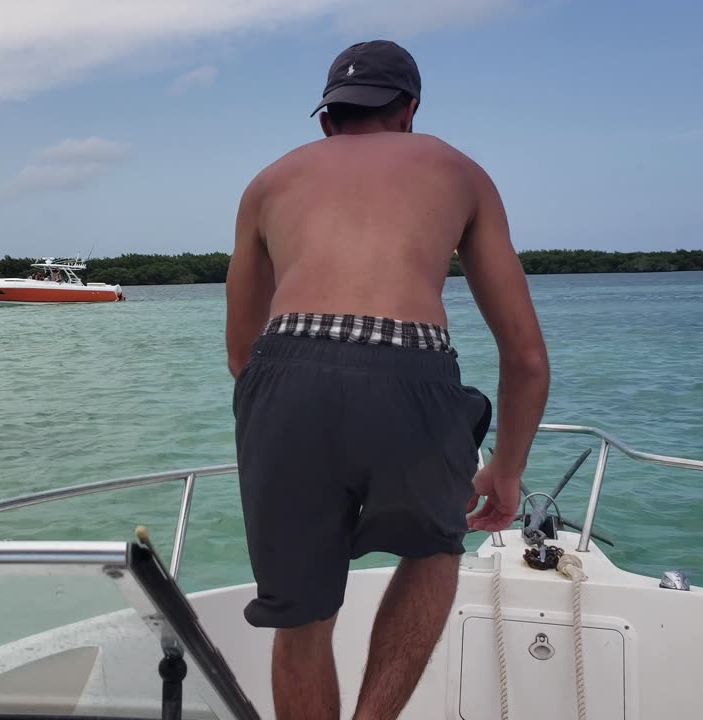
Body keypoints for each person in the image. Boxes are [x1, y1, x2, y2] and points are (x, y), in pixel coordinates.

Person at [225, 40, 549, 720]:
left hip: (284, 373)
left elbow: (240, 354)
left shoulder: (267, 183)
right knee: (436, 547)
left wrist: (300, 408)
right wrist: (508, 471)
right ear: (408, 112)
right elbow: (524, 356)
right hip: (410, 365)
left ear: (326, 120)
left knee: (302, 617)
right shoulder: (457, 170)